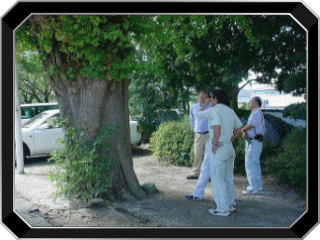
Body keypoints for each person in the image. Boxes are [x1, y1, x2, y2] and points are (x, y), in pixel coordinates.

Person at [206, 89, 243, 217]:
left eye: (211, 97)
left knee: (218, 178)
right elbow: (239, 127)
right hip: (228, 147)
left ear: (216, 98)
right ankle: (231, 204)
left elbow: (217, 127)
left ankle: (222, 208)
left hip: (220, 147)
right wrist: (232, 138)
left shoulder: (216, 110)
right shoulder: (230, 110)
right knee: (228, 178)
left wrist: (215, 144)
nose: (210, 100)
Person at [241, 96, 265, 195]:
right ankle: (258, 186)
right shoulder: (256, 113)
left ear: (255, 103)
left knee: (250, 163)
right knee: (255, 163)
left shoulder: (257, 112)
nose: (249, 102)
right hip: (254, 141)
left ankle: (252, 187)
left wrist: (243, 130)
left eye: (250, 101)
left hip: (254, 141)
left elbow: (250, 125)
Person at [187, 91, 212, 180]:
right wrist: (194, 129)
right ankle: (195, 173)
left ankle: (209, 175)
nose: (202, 99)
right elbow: (192, 119)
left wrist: (206, 104)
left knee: (209, 155)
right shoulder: (194, 107)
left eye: (205, 97)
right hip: (198, 134)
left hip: (209, 134)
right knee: (197, 154)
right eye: (201, 97)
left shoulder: (211, 107)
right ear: (198, 97)